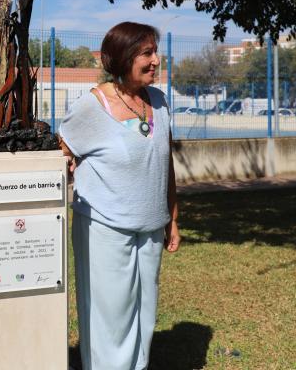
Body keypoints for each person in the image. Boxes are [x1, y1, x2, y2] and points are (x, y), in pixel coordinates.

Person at [58, 21, 181, 370]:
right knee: (110, 316)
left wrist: (173, 218)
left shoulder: (159, 101)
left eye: (156, 52)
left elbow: (165, 162)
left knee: (145, 311)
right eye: (147, 53)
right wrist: (67, 164)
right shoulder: (92, 106)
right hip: (104, 226)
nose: (156, 60)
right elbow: (63, 146)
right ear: (122, 58)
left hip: (151, 226)